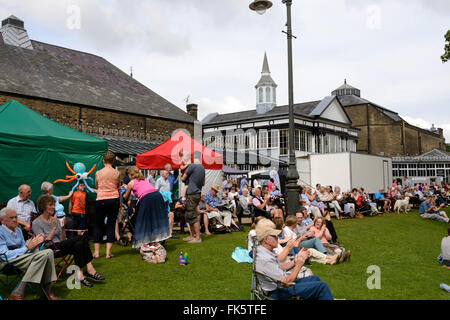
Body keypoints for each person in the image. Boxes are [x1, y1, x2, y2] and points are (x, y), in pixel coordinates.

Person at [254, 219, 336, 300]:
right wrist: (298, 265)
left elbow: (280, 267)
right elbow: (285, 283)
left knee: (315, 278)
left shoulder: (265, 252)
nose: (277, 238)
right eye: (274, 236)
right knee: (321, 286)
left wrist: (294, 261)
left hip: (279, 286)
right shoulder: (265, 259)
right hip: (278, 292)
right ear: (266, 239)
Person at [32, 195, 105, 288]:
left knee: (79, 244)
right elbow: (43, 243)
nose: (53, 207)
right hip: (48, 249)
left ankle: (81, 275)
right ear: (43, 206)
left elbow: (62, 240)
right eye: (50, 205)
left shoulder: (55, 220)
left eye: (54, 205)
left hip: (60, 246)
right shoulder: (36, 222)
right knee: (81, 238)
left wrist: (62, 228)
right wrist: (54, 228)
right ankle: (90, 269)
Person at [0, 207, 60, 300]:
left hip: (21, 257)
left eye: (16, 217)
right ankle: (21, 292)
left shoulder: (18, 230)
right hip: (7, 261)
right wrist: (27, 247)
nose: (15, 220)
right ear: (2, 220)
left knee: (49, 252)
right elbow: (5, 255)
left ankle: (45, 292)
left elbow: (25, 249)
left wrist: (35, 242)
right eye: (11, 218)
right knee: (43, 255)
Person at [123, 166, 171, 248]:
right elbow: (139, 192)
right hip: (157, 196)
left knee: (143, 220)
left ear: (131, 175)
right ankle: (155, 239)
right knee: (155, 218)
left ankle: (144, 241)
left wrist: (126, 189)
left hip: (147, 198)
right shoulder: (144, 179)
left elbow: (125, 197)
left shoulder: (131, 183)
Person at [94, 151, 121, 259]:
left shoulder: (98, 173)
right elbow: (118, 186)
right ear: (113, 161)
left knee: (98, 225)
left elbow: (97, 185)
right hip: (113, 199)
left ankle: (96, 252)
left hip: (101, 199)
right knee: (111, 224)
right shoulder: (117, 173)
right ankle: (108, 253)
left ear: (103, 161)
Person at [181, 151, 205, 244]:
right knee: (190, 215)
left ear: (193, 157)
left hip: (191, 193)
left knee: (193, 216)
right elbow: (203, 183)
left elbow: (183, 178)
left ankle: (197, 238)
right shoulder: (202, 168)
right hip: (198, 193)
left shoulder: (192, 166)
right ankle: (191, 235)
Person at [155, 169, 177, 238]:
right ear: (162, 174)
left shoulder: (167, 181)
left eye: (168, 173)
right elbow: (156, 191)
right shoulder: (159, 180)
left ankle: (170, 233)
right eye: (167, 173)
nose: (168, 174)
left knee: (171, 214)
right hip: (161, 202)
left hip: (167, 202)